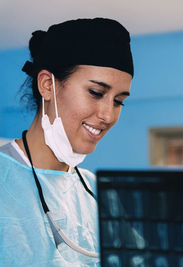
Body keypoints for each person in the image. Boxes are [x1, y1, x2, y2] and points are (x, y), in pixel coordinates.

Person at [0, 18, 134, 266]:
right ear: (47, 85)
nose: (108, 115)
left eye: (118, 101)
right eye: (96, 92)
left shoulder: (98, 193)